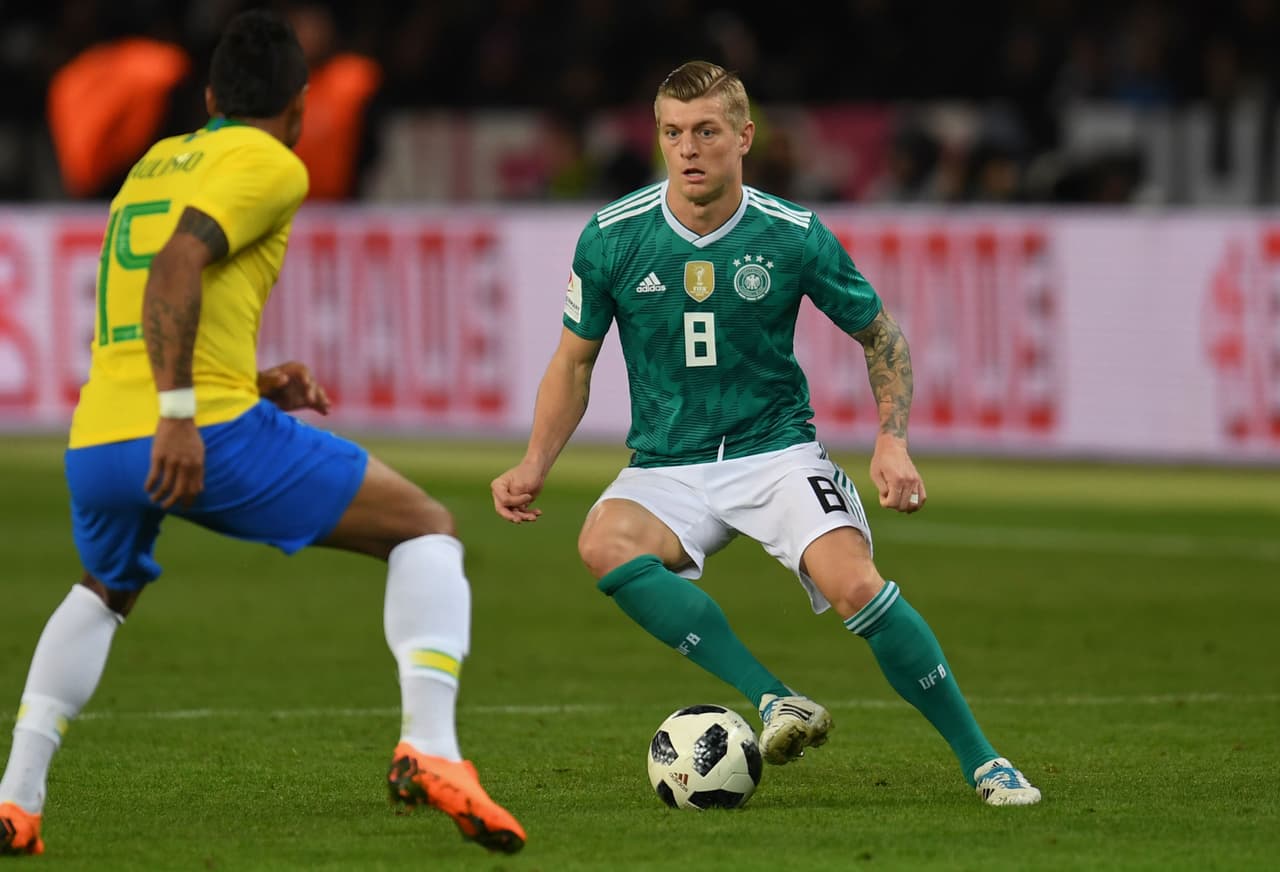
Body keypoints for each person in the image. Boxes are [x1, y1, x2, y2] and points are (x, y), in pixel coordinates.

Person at [0, 10, 524, 857]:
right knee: (426, 529)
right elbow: (175, 268)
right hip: (195, 429)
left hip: (98, 438)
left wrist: (249, 381)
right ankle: (431, 748)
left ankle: (16, 799)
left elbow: (146, 299)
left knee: (106, 587)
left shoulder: (154, 162)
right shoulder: (270, 160)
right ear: (301, 105)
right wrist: (182, 416)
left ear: (208, 96)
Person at [491, 61, 1041, 807]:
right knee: (602, 543)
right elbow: (572, 363)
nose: (688, 150)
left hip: (775, 452)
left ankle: (985, 761)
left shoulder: (792, 236)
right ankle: (776, 698)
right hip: (666, 463)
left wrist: (893, 439)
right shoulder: (612, 237)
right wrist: (534, 461)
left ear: (744, 137)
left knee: (856, 587)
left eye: (706, 132)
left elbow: (881, 337)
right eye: (673, 133)